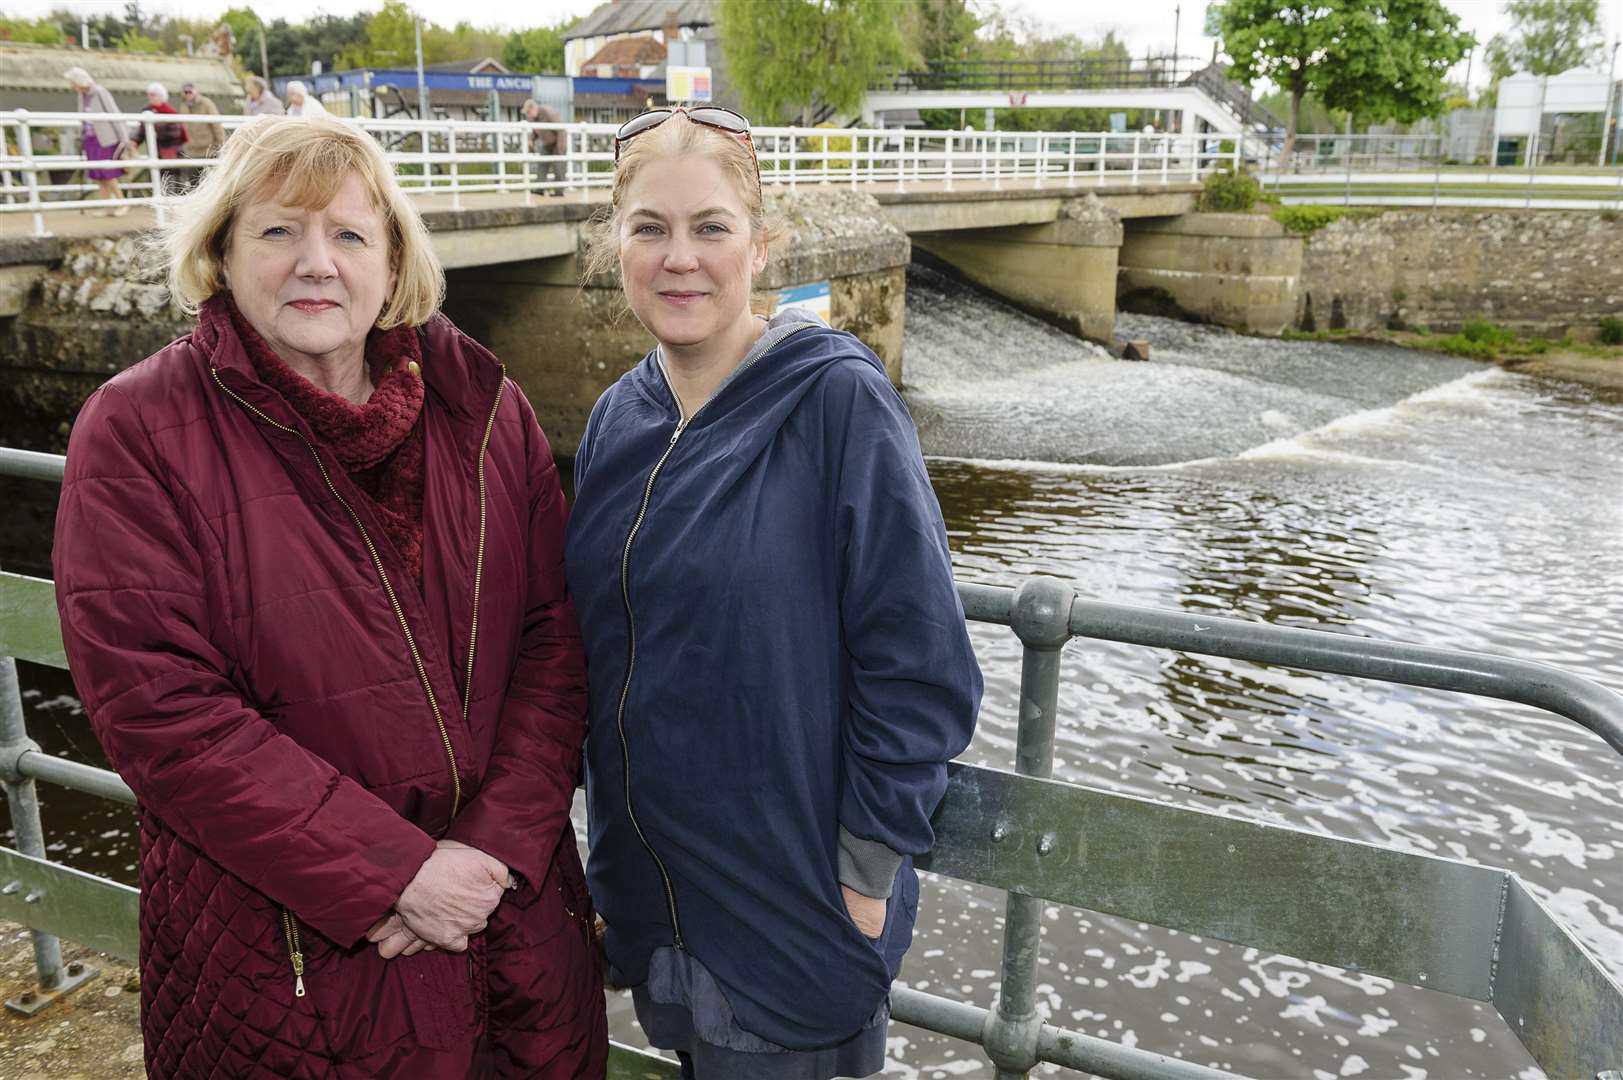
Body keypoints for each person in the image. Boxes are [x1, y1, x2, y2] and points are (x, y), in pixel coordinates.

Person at [53, 114, 606, 1078]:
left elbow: (552, 642)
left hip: (507, 924)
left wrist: (491, 852)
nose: (317, 263)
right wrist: (395, 873)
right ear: (222, 251)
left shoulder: (483, 408)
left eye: (349, 234)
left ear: (393, 262)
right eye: (278, 231)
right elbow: (161, 710)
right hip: (292, 963)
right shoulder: (139, 429)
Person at [565, 107, 983, 1079]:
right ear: (613, 244)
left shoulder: (836, 398)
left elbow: (919, 661)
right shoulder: (618, 420)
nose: (681, 258)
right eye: (650, 229)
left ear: (763, 245)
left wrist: (865, 875)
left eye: (711, 227)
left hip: (794, 905)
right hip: (661, 900)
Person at [64, 66, 131, 216]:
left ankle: (123, 202)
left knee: (108, 173)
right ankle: (107, 206)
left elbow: (113, 113)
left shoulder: (99, 92)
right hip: (90, 139)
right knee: (98, 175)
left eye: (72, 83)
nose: (71, 86)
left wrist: (124, 139)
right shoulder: (82, 95)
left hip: (105, 139)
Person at [137, 82, 187, 195]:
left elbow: (176, 133)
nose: (150, 97)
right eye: (149, 95)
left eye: (153, 94)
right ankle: (161, 198)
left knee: (171, 177)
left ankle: (171, 198)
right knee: (157, 176)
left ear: (161, 96)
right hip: (156, 150)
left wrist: (157, 133)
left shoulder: (170, 112)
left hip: (170, 150)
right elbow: (141, 131)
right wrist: (134, 142)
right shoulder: (146, 111)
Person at [177, 82, 225, 180]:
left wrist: (221, 144)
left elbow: (216, 125)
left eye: (190, 91)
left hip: (208, 150)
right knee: (194, 181)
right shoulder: (183, 106)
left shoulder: (206, 103)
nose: (188, 94)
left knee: (211, 180)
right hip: (191, 151)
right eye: (185, 92)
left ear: (195, 91)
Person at [521, 99, 562, 194]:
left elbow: (561, 130)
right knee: (542, 165)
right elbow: (535, 132)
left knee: (558, 167)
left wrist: (560, 147)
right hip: (547, 144)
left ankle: (559, 191)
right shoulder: (532, 119)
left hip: (557, 143)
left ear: (533, 109)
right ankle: (539, 189)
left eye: (528, 112)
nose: (528, 115)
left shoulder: (548, 112)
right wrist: (530, 140)